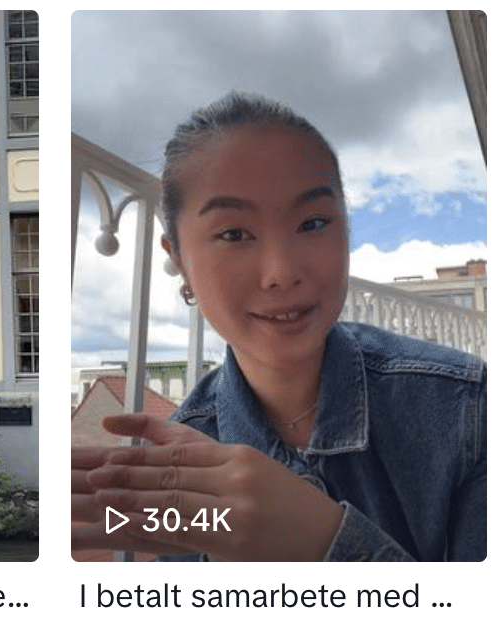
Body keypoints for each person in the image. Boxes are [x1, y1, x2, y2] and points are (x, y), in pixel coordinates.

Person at [71, 92, 486, 562]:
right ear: (179, 261)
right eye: (234, 234)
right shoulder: (180, 462)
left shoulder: (468, 410)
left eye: (312, 223)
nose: (281, 271)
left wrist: (327, 543)